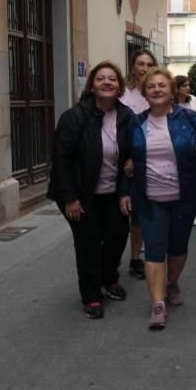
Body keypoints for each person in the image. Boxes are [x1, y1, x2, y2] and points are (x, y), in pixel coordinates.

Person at [120, 69, 196, 329]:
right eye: (151, 87)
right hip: (149, 199)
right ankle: (158, 303)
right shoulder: (135, 122)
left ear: (172, 90)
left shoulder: (190, 119)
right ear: (144, 92)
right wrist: (124, 190)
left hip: (184, 197)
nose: (157, 90)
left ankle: (173, 282)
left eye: (162, 86)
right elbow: (122, 160)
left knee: (178, 247)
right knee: (155, 249)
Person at [48, 61, 132, 319]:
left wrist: (132, 161)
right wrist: (70, 199)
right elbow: (61, 159)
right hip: (80, 195)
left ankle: (108, 278)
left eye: (112, 79)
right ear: (92, 85)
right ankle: (91, 295)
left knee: (117, 238)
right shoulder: (75, 117)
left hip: (113, 192)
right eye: (100, 79)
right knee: (88, 246)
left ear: (119, 86)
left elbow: (135, 147)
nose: (107, 82)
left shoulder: (127, 116)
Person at [120, 49, 158, 280]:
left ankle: (135, 257)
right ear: (132, 66)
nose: (143, 68)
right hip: (117, 157)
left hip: (144, 160)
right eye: (140, 63)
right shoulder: (122, 92)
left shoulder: (156, 91)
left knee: (138, 214)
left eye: (148, 64)